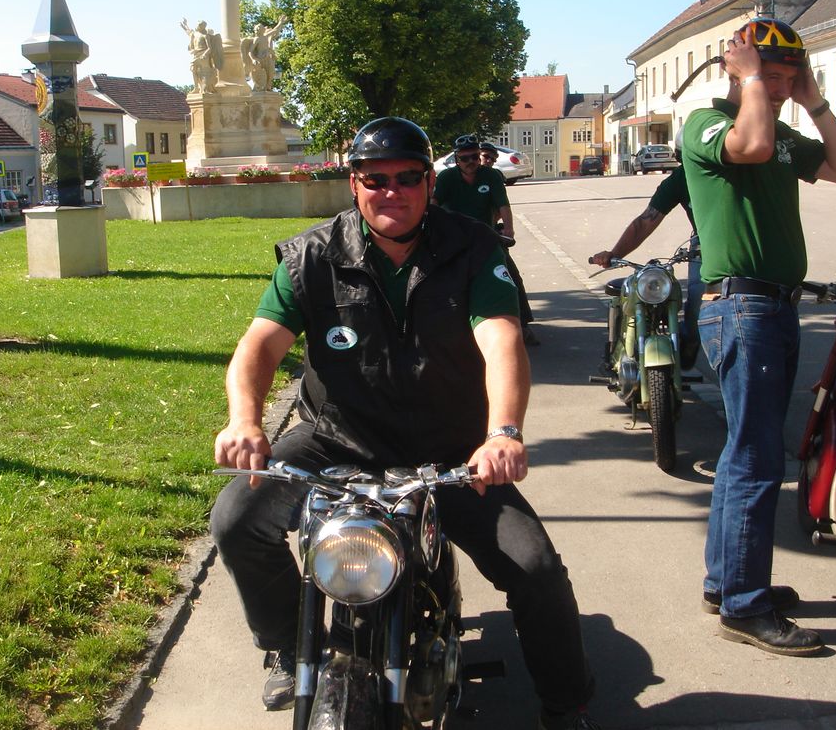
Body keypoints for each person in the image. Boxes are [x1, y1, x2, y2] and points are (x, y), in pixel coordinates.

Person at [212, 117, 598, 730]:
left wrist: (502, 433)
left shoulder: (474, 248)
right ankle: (287, 644)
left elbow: (502, 341)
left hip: (451, 452)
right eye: (376, 179)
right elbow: (259, 345)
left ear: (429, 183)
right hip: (335, 440)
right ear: (354, 184)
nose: (392, 191)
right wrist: (245, 420)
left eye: (408, 177)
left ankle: (566, 702)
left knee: (536, 569)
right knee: (236, 519)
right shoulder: (311, 255)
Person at [681, 17, 836, 656]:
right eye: (771, 75)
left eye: (788, 77)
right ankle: (745, 605)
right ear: (737, 70)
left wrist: (816, 103)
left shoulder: (784, 130)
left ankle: (728, 583)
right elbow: (751, 145)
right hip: (742, 308)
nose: (780, 87)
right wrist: (752, 79)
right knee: (756, 459)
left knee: (744, 455)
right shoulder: (706, 125)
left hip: (774, 309)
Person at [590, 131, 702, 370]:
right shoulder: (680, 179)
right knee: (696, 316)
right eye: (685, 158)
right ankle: (685, 349)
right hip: (703, 248)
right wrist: (615, 254)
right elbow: (646, 221)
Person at [433, 133, 538, 345]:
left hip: (485, 236)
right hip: (453, 237)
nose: (470, 162)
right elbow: (433, 204)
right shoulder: (446, 178)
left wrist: (509, 230)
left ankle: (522, 324)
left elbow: (503, 205)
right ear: (456, 159)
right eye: (464, 158)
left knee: (508, 274)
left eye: (474, 157)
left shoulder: (491, 176)